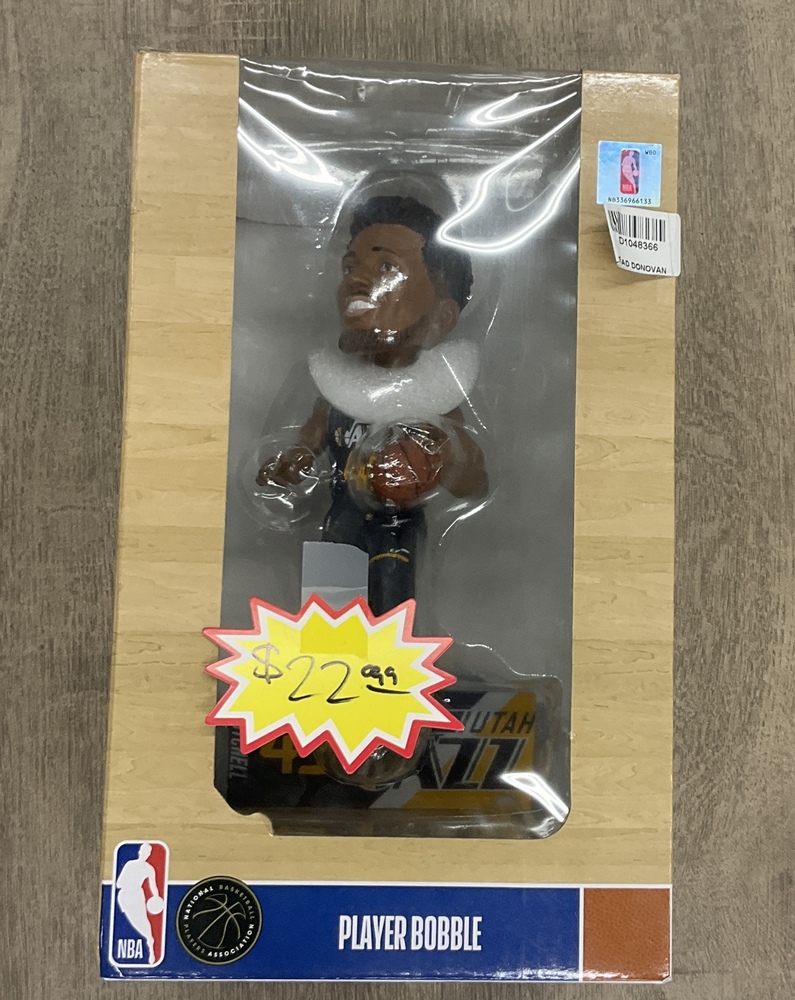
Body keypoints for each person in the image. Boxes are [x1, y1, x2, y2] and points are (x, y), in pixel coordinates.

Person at [257, 195, 488, 616]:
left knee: (391, 603)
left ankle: (391, 656)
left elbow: (473, 480)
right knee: (327, 609)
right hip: (340, 515)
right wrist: (291, 465)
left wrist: (439, 456)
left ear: (442, 317)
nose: (357, 280)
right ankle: (329, 656)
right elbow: (307, 444)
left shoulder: (435, 394)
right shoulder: (336, 389)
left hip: (396, 523)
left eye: (387, 268)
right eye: (350, 267)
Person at [115, 843, 160, 963]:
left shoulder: (149, 869)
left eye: (148, 852)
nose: (145, 854)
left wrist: (156, 897)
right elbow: (119, 883)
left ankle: (151, 945)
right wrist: (129, 883)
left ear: (149, 854)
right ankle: (147, 940)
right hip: (125, 896)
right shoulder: (130, 864)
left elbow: (153, 886)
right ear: (140, 851)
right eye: (144, 851)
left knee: (143, 920)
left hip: (138, 896)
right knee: (133, 920)